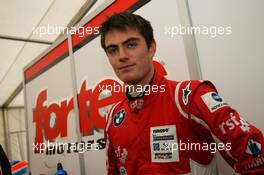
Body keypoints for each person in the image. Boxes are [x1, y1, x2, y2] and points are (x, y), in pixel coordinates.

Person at [100, 11, 264, 175]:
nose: (121, 56)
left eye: (131, 45)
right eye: (113, 50)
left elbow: (255, 155)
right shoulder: (113, 117)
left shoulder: (190, 96)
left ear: (151, 48)